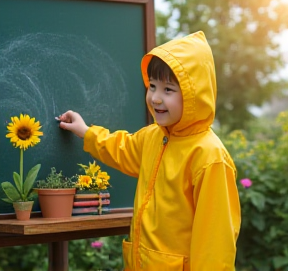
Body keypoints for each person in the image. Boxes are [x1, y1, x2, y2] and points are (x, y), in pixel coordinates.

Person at [59, 31, 241, 271]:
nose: (155, 98)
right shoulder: (154, 137)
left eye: (168, 90)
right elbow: (121, 148)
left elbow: (215, 244)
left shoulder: (210, 157)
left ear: (194, 95)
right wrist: (86, 131)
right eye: (152, 86)